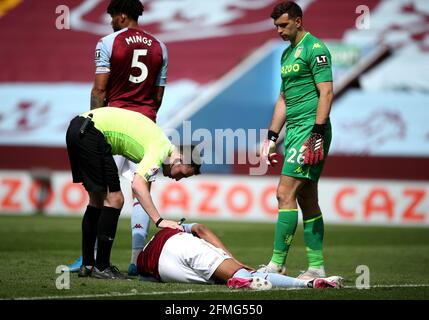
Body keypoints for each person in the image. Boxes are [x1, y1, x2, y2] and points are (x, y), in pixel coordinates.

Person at [65, 0, 169, 276]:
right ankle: (137, 260)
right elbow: (158, 97)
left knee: (99, 197)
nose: (110, 20)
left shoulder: (108, 42)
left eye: (112, 16)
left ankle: (92, 258)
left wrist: (94, 125)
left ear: (121, 15)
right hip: (145, 125)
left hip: (111, 126)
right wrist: (144, 116)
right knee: (140, 192)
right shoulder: (160, 46)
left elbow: (99, 90)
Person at [65, 107, 201, 279]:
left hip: (78, 129)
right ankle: (102, 266)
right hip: (92, 133)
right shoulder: (160, 149)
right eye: (182, 173)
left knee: (97, 200)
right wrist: (159, 220)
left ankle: (88, 264)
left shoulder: (160, 142)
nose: (178, 179)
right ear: (179, 158)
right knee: (115, 199)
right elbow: (138, 186)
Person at [258, 1, 334, 279]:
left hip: (310, 132)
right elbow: (283, 99)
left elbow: (326, 93)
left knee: (284, 193)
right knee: (307, 199)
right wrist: (271, 136)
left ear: (299, 21)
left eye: (283, 25)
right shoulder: (287, 55)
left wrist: (316, 133)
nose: (278, 30)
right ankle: (316, 267)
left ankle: (277, 263)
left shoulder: (316, 49)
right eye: (276, 25)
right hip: (293, 133)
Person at [136, 222, 343, 289]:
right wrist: (232, 260)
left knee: (219, 280)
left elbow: (141, 273)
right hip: (180, 249)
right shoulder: (177, 231)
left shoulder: (150, 247)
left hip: (158, 269)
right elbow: (200, 228)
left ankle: (243, 279)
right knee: (242, 273)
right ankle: (308, 283)